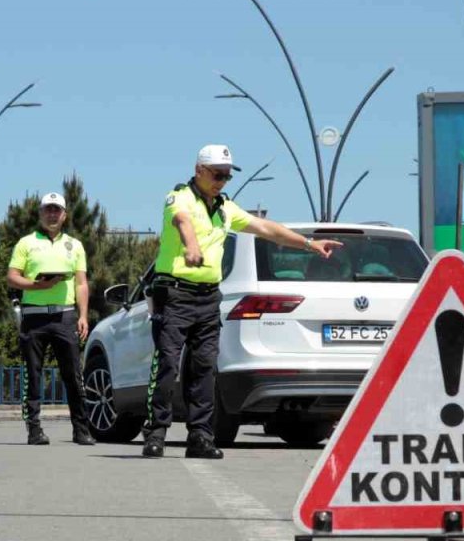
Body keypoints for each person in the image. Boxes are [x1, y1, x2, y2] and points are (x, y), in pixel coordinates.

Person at [141, 144, 342, 459]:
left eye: (226, 176)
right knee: (167, 363)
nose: (222, 181)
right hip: (175, 293)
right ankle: (155, 433)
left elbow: (265, 228)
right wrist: (191, 247)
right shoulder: (179, 197)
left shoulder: (225, 208)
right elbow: (182, 222)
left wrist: (308, 243)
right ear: (199, 171)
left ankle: (200, 438)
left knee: (205, 369)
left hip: (208, 297)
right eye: (217, 174)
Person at [6, 191, 95, 446]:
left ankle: (81, 430)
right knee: (32, 375)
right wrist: (37, 286)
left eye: (57, 210)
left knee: (73, 375)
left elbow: (81, 283)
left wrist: (83, 316)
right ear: (40, 214)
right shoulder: (26, 243)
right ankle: (34, 430)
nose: (52, 214)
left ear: (64, 215)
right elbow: (12, 277)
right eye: (48, 209)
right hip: (33, 316)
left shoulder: (75, 245)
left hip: (65, 316)